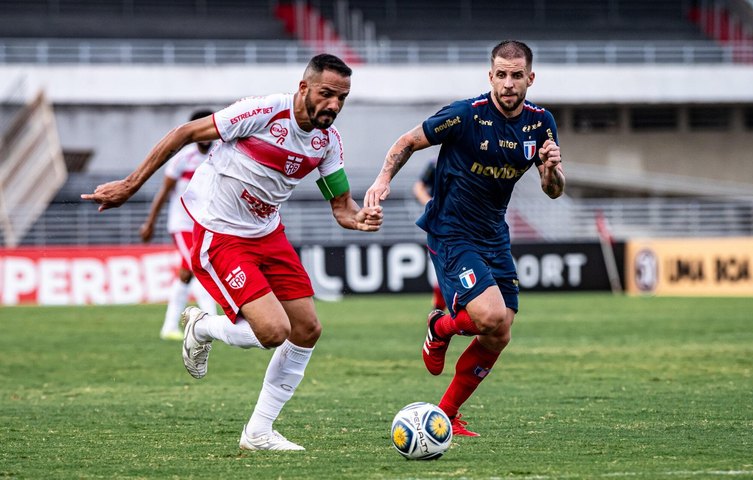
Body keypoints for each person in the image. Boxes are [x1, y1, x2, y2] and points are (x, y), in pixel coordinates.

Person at [82, 53, 383, 450]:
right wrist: (131, 184)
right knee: (274, 332)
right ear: (304, 88)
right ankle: (202, 326)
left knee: (307, 329)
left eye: (341, 98)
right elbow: (185, 133)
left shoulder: (327, 143)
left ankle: (258, 432)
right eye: (326, 94)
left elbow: (342, 208)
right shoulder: (263, 111)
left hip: (267, 232)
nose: (333, 105)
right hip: (219, 230)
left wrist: (359, 219)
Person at [365, 40, 565, 437]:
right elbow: (407, 142)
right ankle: (439, 328)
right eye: (501, 75)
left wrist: (552, 171)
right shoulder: (465, 115)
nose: (509, 83)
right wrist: (382, 180)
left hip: (494, 233)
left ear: (531, 78)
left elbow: (553, 190)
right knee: (487, 316)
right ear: (490, 76)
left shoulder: (541, 123)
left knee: (500, 331)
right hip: (452, 230)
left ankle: (446, 414)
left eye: (516, 75)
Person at [139, 109, 219, 341]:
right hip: (183, 223)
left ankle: (169, 327)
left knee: (187, 272)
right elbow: (164, 191)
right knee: (197, 265)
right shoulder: (183, 157)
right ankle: (208, 323)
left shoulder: (222, 153)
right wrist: (150, 222)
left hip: (207, 222)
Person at [412, 159, 446, 312]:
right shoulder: (435, 164)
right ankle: (438, 310)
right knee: (439, 263)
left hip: (466, 219)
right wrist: (430, 204)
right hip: (441, 222)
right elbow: (418, 187)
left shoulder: (472, 158)